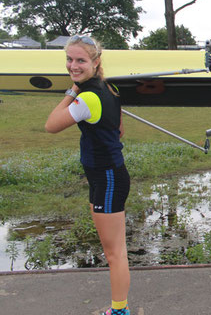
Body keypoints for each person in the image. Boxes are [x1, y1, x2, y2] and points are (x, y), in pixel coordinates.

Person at [45, 35, 131, 315]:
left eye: (80, 60)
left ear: (95, 62)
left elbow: (51, 125)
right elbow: (119, 130)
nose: (73, 65)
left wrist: (72, 91)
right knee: (115, 250)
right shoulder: (109, 88)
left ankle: (119, 311)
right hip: (106, 176)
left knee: (115, 253)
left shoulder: (89, 96)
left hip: (107, 179)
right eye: (69, 59)